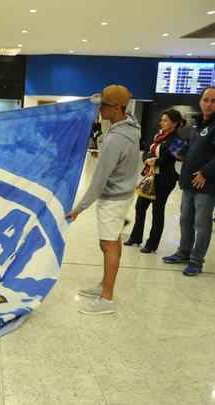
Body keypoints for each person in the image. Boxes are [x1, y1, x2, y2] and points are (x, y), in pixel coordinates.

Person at [66, 84, 141, 315]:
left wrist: (79, 208)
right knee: (112, 242)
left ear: (118, 108)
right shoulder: (132, 127)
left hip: (113, 199)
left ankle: (106, 299)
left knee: (108, 246)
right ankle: (104, 286)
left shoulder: (115, 139)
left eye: (105, 106)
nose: (100, 110)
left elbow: (98, 181)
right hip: (123, 195)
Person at [163, 87, 215, 276]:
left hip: (206, 185)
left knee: (202, 224)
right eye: (206, 99)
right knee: (185, 220)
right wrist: (181, 154)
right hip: (188, 182)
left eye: (213, 101)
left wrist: (205, 173)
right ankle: (184, 252)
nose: (209, 104)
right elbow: (193, 151)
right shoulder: (196, 125)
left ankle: (196, 260)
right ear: (200, 101)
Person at [125, 109, 187, 253]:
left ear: (175, 123)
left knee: (157, 211)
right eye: (161, 120)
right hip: (150, 177)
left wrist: (155, 161)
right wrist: (147, 158)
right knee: (140, 206)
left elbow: (168, 158)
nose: (161, 122)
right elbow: (147, 150)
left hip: (165, 180)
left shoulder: (177, 140)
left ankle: (152, 244)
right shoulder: (158, 135)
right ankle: (136, 237)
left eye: (165, 120)